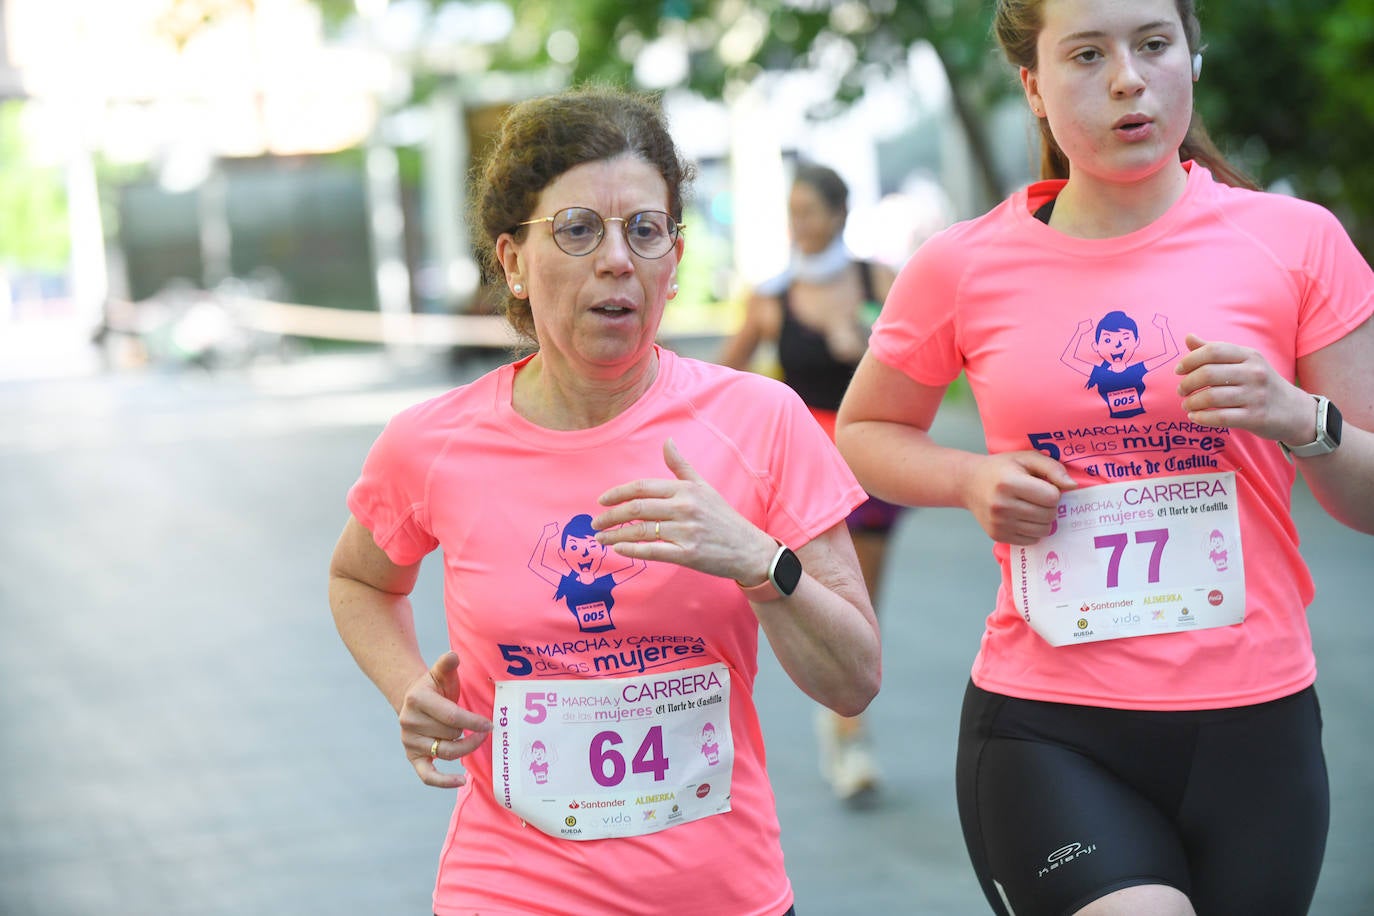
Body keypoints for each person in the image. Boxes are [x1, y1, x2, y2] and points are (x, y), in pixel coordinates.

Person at [835, 1, 1374, 914]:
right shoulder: (962, 266)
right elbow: (865, 432)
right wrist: (970, 478)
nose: (1127, 77)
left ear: (1191, 59)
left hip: (1257, 719)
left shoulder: (1295, 242)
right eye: (1086, 54)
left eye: (1153, 45)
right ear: (1034, 88)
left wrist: (1297, 416)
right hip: (1051, 726)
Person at [328, 85, 881, 916]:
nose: (618, 259)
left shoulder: (760, 421)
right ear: (512, 260)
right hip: (508, 888)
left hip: (720, 891)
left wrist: (760, 563)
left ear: (675, 256)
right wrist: (411, 687)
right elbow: (361, 579)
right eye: (578, 230)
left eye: (644, 230)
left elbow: (854, 681)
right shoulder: (432, 442)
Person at [720, 163, 900, 802]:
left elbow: (921, 366)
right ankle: (846, 732)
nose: (800, 224)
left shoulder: (879, 281)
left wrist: (869, 347)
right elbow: (720, 380)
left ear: (840, 214)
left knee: (860, 605)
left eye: (810, 211)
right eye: (792, 211)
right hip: (799, 474)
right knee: (807, 597)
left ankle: (845, 723)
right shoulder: (771, 296)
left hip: (868, 461)